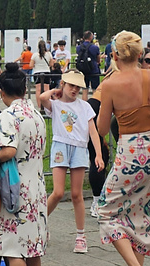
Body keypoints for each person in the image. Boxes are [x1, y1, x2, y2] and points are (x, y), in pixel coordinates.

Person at [94, 31, 150, 266]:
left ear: (114, 55)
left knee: (105, 210)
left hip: (130, 153)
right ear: (141, 55)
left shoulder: (112, 84)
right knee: (143, 214)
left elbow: (103, 128)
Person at [0, 68, 49, 266]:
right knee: (34, 247)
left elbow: (9, 150)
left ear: (1, 91)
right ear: (25, 89)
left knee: (13, 249)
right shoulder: (36, 114)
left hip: (15, 189)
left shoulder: (7, 115)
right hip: (36, 185)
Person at [38, 70, 102, 254]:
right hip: (60, 146)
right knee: (57, 192)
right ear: (63, 84)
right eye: (70, 85)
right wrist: (55, 92)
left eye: (77, 86)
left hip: (79, 148)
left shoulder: (84, 107)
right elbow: (42, 98)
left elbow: (93, 131)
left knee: (76, 194)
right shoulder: (56, 105)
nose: (74, 89)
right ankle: (40, 224)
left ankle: (81, 235)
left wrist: (97, 154)